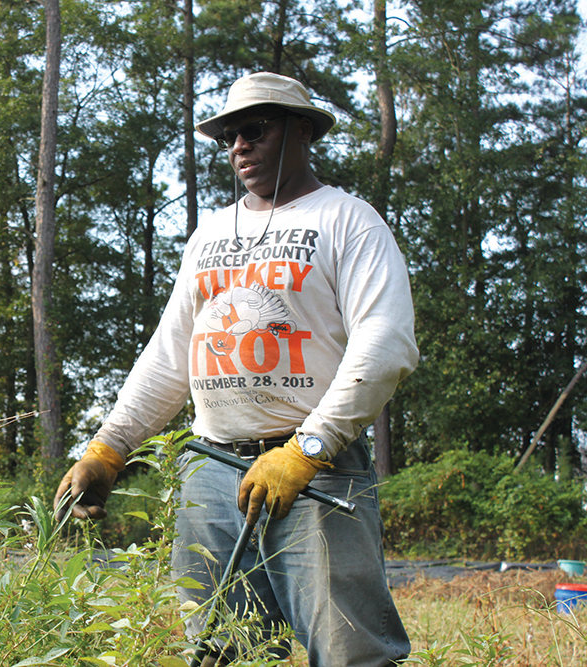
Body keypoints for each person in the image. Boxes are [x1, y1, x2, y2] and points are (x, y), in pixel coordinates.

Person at [54, 71, 418, 666]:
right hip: (214, 470)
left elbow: (385, 342)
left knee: (353, 652)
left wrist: (308, 449)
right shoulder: (209, 235)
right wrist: (110, 447)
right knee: (222, 649)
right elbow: (172, 353)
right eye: (229, 136)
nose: (238, 146)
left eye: (254, 130)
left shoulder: (348, 221)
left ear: (303, 132)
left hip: (316, 473)